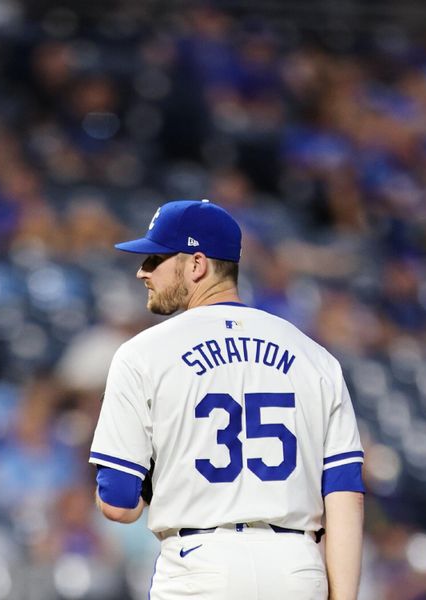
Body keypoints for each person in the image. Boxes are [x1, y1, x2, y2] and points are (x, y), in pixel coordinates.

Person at [89, 199, 365, 599]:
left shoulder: (143, 354)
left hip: (200, 566)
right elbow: (345, 496)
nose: (142, 271)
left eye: (155, 258)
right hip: (295, 566)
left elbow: (118, 502)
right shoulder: (315, 357)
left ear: (197, 264)